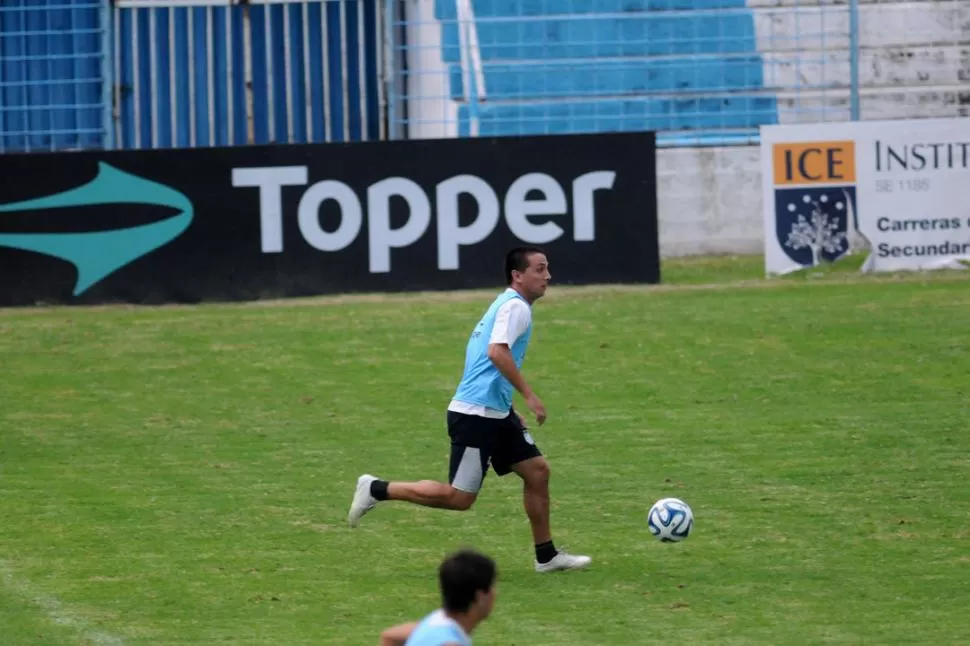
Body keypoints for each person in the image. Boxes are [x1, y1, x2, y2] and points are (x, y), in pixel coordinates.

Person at [349, 246, 591, 573]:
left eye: (547, 268)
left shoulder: (503, 305)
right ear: (517, 276)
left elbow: (478, 356)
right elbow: (495, 353)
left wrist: (506, 406)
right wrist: (529, 396)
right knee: (459, 498)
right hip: (476, 415)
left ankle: (546, 556)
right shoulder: (515, 308)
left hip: (493, 411)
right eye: (540, 269)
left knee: (537, 472)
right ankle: (377, 488)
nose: (547, 276)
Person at [378, 549, 497, 646]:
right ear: (480, 597)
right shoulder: (449, 642)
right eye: (492, 587)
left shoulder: (434, 622)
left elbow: (390, 637)